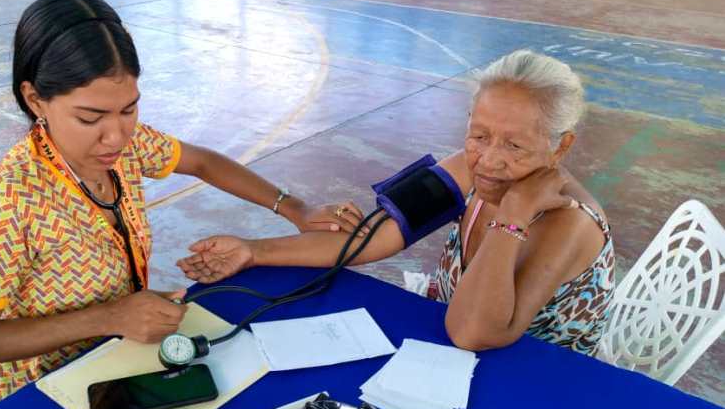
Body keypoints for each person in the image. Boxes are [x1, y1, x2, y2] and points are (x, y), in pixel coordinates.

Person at [0, 0, 361, 409]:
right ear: (36, 99)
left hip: (116, 360)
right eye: (90, 118)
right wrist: (111, 316)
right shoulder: (9, 201)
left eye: (129, 109)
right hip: (40, 396)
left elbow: (202, 162)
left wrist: (295, 208)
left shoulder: (126, 146)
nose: (116, 136)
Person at [177, 50, 615, 355]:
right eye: (480, 135)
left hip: (537, 379)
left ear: (560, 148)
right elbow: (373, 239)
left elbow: (472, 332)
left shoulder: (567, 222)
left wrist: (514, 215)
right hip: (442, 347)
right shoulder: (469, 166)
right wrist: (253, 252)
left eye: (515, 145)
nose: (490, 160)